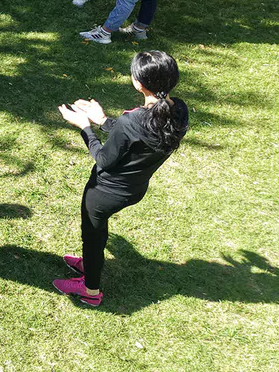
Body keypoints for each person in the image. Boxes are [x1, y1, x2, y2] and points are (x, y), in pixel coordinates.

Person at [55, 50, 189, 307]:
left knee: (92, 236)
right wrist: (104, 121)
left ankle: (90, 290)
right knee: (97, 233)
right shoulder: (179, 110)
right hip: (134, 189)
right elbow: (139, 136)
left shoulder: (132, 120)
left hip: (104, 193)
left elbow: (104, 159)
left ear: (138, 83)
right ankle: (90, 261)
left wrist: (85, 126)